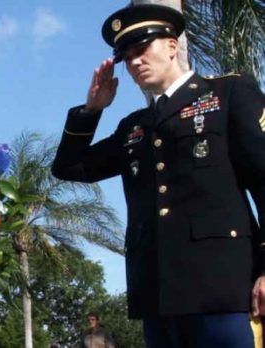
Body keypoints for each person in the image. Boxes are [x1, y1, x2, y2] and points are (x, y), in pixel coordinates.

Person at [51, 4, 265, 348]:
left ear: (171, 45)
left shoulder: (228, 94)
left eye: (141, 49)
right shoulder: (134, 126)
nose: (134, 62)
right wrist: (91, 111)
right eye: (127, 57)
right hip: (157, 296)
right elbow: (69, 167)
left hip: (223, 289)